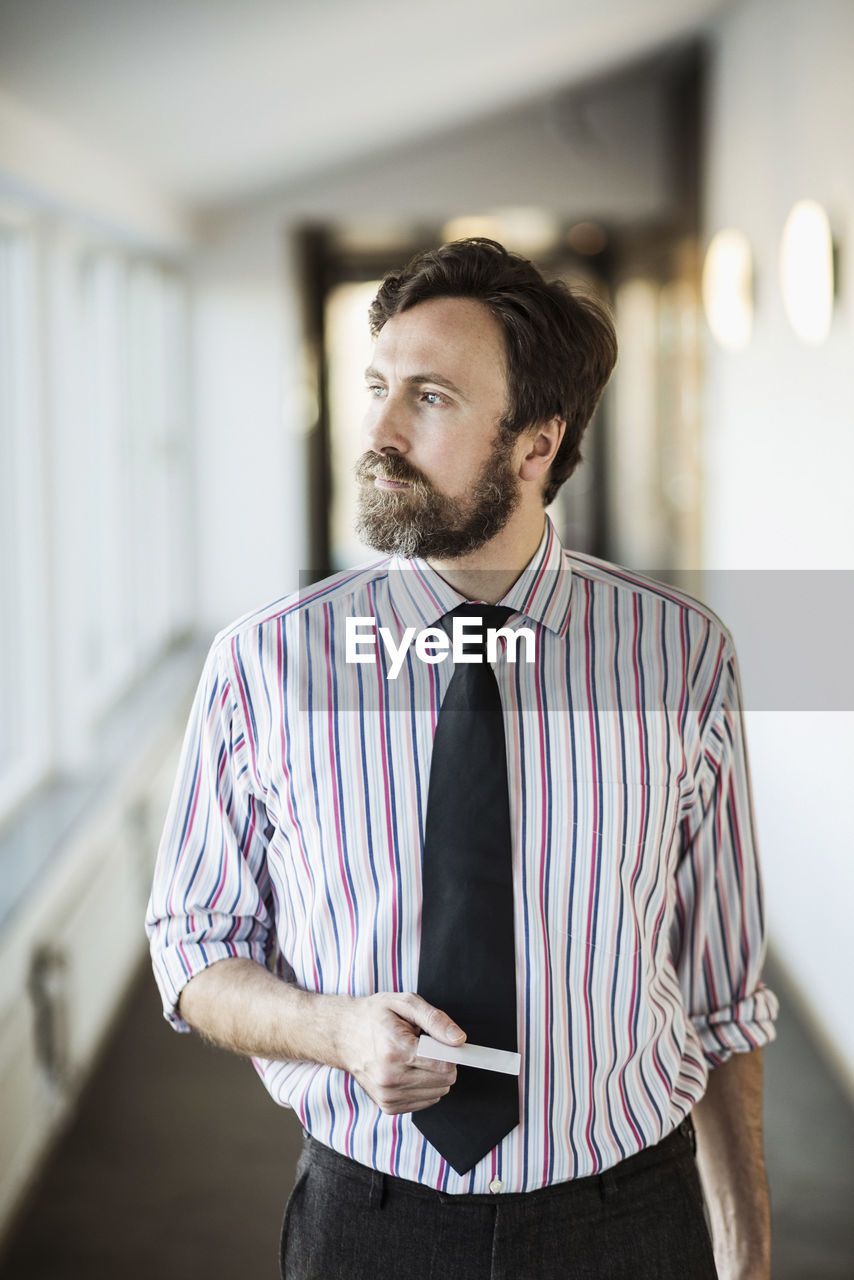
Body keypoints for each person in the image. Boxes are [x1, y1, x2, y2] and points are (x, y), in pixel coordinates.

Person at [146, 238, 778, 1279]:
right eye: (377, 387)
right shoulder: (264, 663)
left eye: (429, 397)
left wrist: (747, 1252)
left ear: (535, 444)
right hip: (368, 1218)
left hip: (627, 1216)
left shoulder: (679, 654)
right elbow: (192, 944)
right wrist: (332, 1027)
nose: (379, 431)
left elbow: (720, 993)